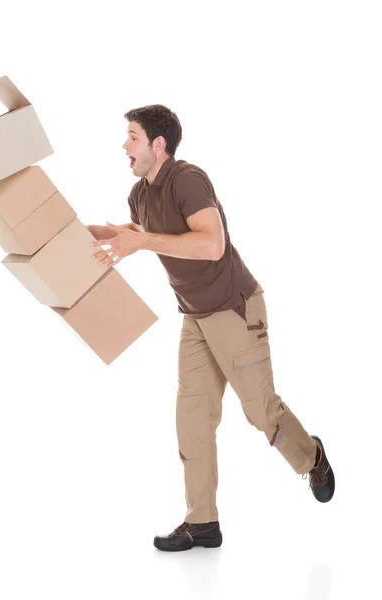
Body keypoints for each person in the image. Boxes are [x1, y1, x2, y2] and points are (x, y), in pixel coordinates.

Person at [87, 105, 335, 552]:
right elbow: (147, 230)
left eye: (132, 137)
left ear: (158, 144)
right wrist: (94, 233)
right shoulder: (139, 193)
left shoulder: (186, 178)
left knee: (260, 412)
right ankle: (202, 523)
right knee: (193, 421)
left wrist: (139, 240)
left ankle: (311, 456)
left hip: (234, 308)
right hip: (195, 317)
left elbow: (211, 243)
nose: (124, 145)